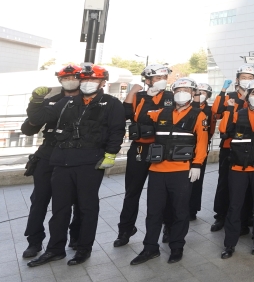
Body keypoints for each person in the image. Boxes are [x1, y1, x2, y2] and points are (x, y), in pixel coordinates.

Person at [27, 64, 125, 267]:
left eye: (94, 80)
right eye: (85, 80)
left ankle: (83, 249)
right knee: (60, 208)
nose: (88, 83)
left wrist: (110, 154)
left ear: (103, 82)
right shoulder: (67, 102)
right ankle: (55, 249)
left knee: (87, 207)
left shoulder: (111, 103)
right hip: (62, 161)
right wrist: (36, 101)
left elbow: (117, 130)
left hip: (90, 163)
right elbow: (38, 118)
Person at [129, 78, 208, 264]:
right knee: (153, 212)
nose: (182, 92)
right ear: (173, 92)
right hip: (157, 170)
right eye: (179, 89)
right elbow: (140, 117)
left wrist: (197, 164)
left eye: (186, 89)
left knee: (180, 211)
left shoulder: (199, 115)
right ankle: (150, 248)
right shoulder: (161, 112)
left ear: (192, 93)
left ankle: (176, 246)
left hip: (181, 170)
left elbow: (202, 143)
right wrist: (148, 98)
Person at [20, 65, 84, 258]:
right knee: (39, 200)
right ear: (60, 80)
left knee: (77, 202)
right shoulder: (51, 102)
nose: (70, 79)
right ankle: (34, 241)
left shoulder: (89, 102)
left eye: (74, 76)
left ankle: (75, 237)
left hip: (74, 157)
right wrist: (37, 106)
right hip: (48, 156)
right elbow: (28, 129)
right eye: (66, 77)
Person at [114, 63, 173, 248]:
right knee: (132, 191)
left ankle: (168, 227)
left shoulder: (172, 97)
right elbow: (124, 114)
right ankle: (125, 229)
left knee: (165, 193)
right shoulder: (139, 97)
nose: (161, 81)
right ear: (147, 80)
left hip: (163, 149)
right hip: (140, 148)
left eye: (164, 78)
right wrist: (132, 92)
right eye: (157, 78)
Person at [220, 77, 254, 258]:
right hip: (238, 168)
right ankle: (229, 244)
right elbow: (223, 130)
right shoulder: (238, 113)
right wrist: (229, 108)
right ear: (248, 95)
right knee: (235, 206)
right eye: (253, 93)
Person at [210, 65, 254, 231]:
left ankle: (246, 216)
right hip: (229, 145)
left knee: (247, 184)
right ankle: (221, 215)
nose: (246, 80)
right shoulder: (229, 96)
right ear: (237, 79)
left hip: (248, 147)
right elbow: (216, 111)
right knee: (224, 182)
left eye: (250, 77)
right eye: (243, 77)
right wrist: (223, 91)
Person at [189, 81, 214, 220]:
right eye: (199, 92)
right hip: (185, 148)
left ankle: (192, 209)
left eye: (204, 93)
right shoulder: (188, 107)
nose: (201, 95)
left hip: (201, 147)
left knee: (197, 181)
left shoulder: (209, 111)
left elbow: (209, 129)